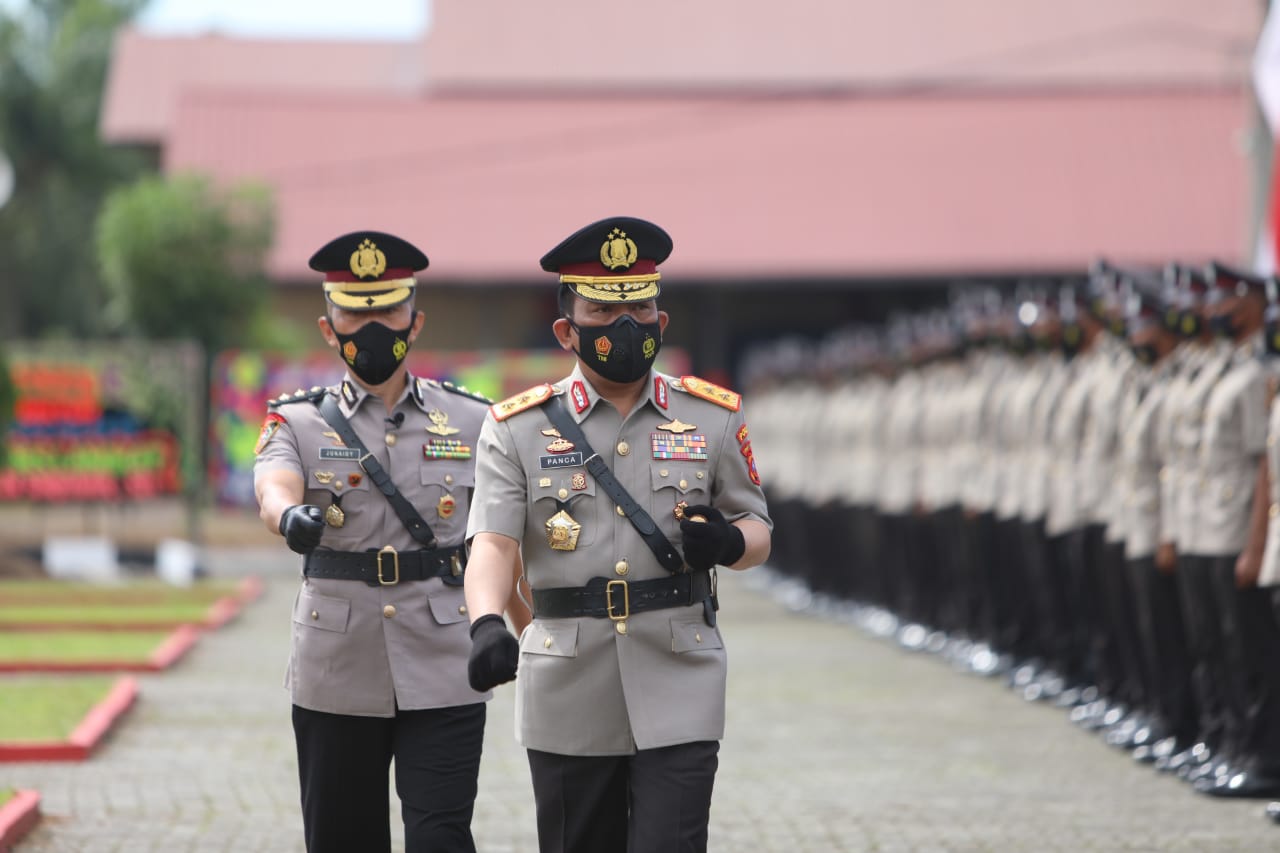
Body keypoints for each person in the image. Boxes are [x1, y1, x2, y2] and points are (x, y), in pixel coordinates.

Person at [462, 216, 772, 853]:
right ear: (567, 329)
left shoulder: (712, 417)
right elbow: (492, 542)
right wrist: (487, 620)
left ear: (661, 322)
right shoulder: (515, 428)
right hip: (568, 680)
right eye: (604, 309)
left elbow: (758, 525)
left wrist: (729, 544)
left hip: (680, 670)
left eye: (641, 308)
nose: (626, 326)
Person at [253, 230, 526, 852]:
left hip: (445, 658)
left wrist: (529, 634)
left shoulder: (474, 419)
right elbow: (273, 482)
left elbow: (502, 538)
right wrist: (289, 514)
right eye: (355, 311)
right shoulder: (296, 418)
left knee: (442, 837)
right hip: (337, 662)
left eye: (388, 309)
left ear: (415, 319)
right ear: (329, 326)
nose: (372, 324)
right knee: (344, 838)